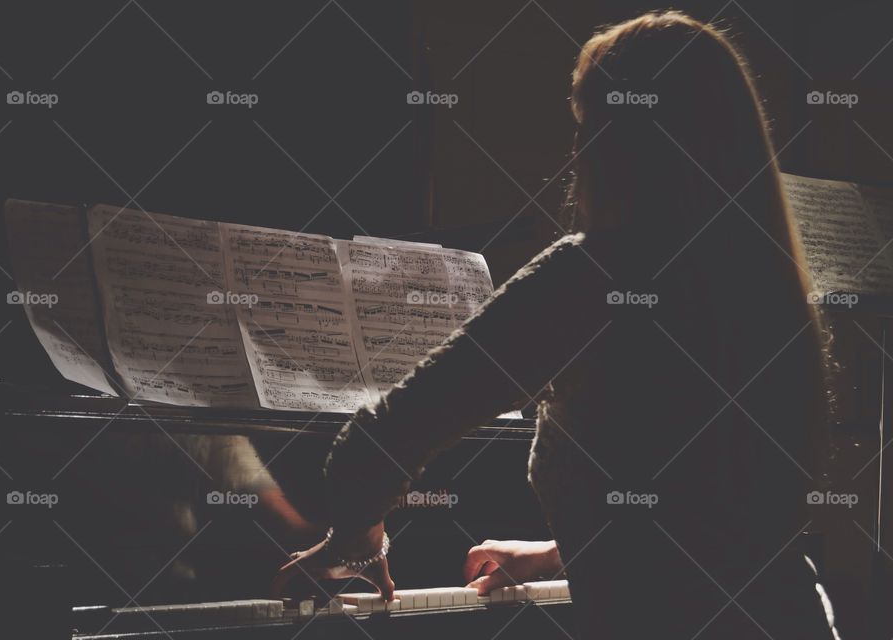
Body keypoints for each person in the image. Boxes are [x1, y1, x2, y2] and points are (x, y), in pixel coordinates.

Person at [273, 11, 838, 639]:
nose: (580, 153)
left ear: (624, 140)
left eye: (589, 127)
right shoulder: (769, 288)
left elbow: (373, 446)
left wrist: (358, 536)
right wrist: (558, 553)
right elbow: (704, 516)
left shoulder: (594, 276)